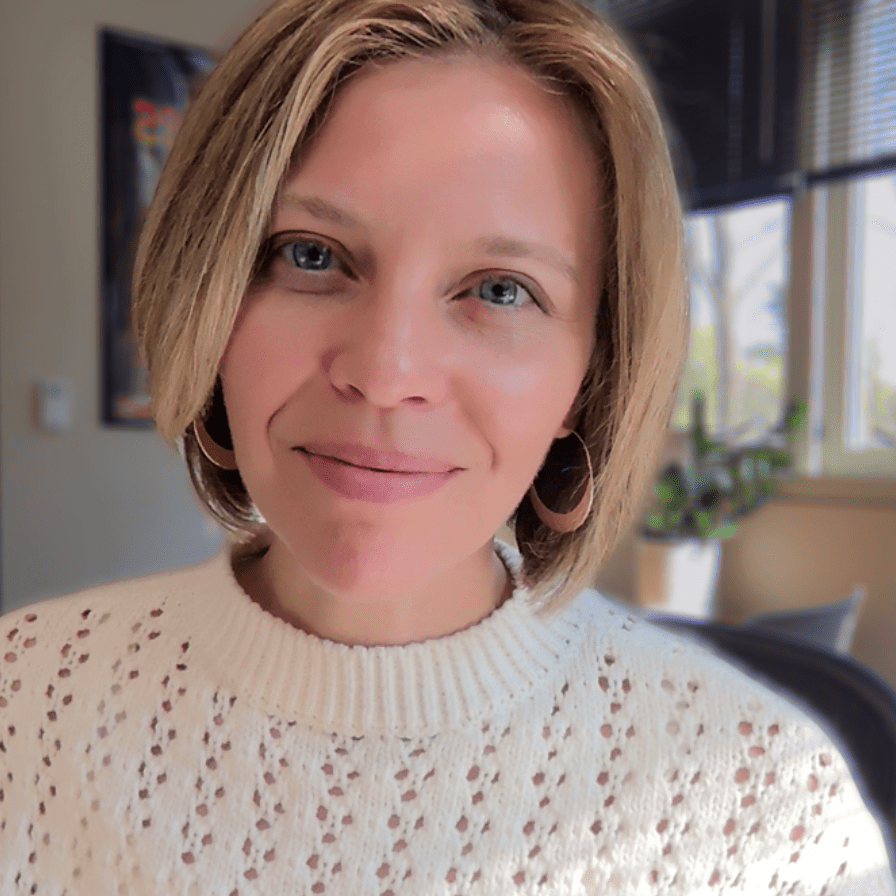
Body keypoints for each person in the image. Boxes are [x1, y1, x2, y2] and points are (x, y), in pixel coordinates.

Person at [1, 0, 893, 892]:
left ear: (592, 373)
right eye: (311, 255)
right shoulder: (24, 707)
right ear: (209, 298)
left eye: (501, 289)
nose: (386, 374)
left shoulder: (769, 811)